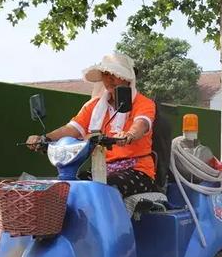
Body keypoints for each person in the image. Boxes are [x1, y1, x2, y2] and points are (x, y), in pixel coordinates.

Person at [26, 53, 158, 197]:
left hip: (138, 171)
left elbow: (142, 123)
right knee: (69, 189)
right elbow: (72, 128)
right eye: (105, 74)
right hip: (103, 169)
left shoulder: (143, 103)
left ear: (127, 78)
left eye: (115, 74)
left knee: (104, 190)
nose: (109, 78)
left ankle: (110, 220)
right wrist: (44, 138)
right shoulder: (94, 106)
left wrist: (129, 134)